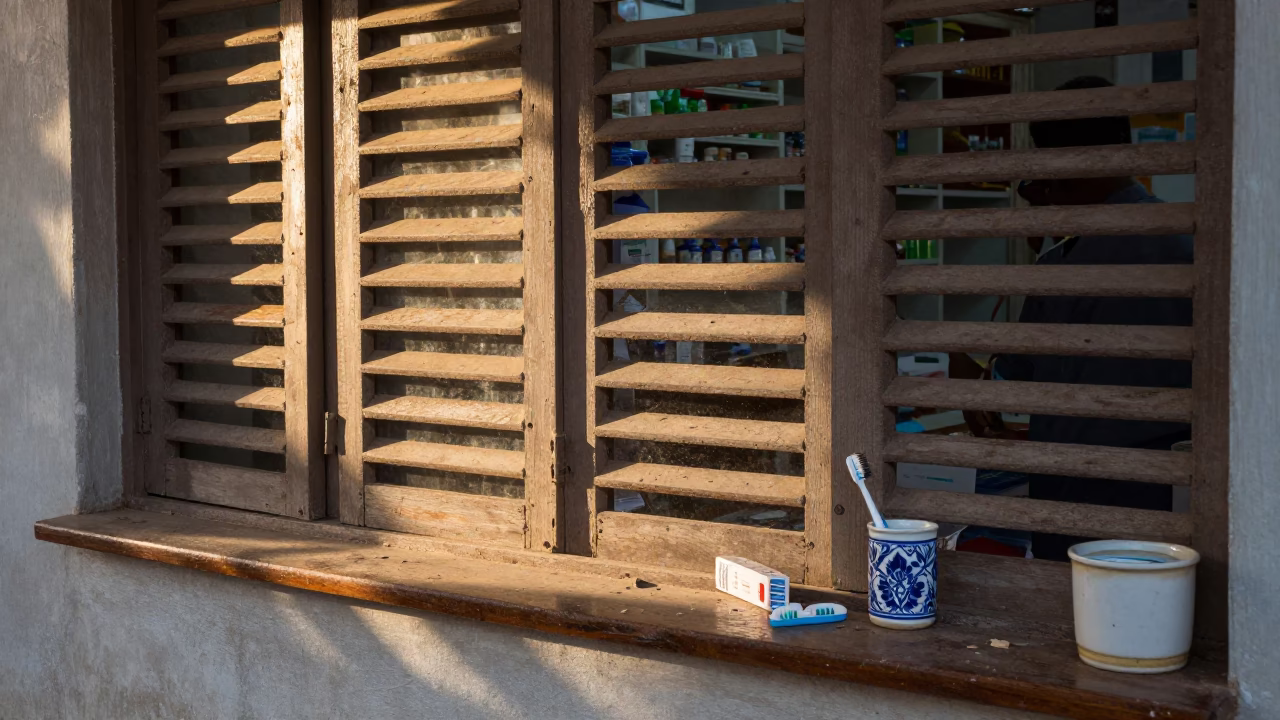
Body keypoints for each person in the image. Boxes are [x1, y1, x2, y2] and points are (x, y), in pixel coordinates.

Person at [949, 76, 1193, 561]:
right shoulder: (1186, 238)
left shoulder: (1065, 259)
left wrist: (957, 362)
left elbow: (1006, 384)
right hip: (1163, 491)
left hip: (1073, 488)